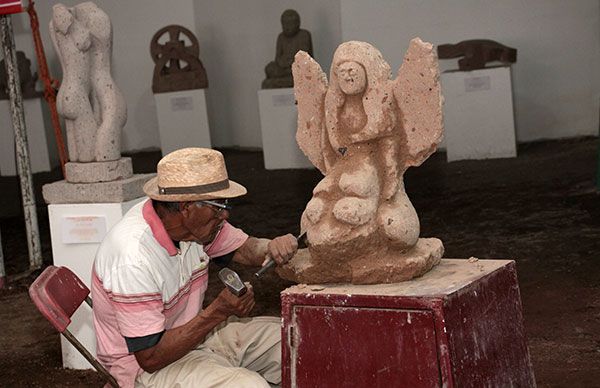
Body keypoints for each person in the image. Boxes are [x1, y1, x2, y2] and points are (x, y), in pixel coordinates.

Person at [91, 147, 298, 388]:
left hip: (192, 338)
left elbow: (243, 248)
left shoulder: (196, 230)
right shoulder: (133, 258)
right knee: (249, 386)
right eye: (218, 205)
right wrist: (218, 311)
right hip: (144, 368)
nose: (225, 215)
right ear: (186, 206)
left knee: (296, 340)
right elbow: (150, 357)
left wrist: (271, 247)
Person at [262, 9, 312, 88]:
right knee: (269, 68)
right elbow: (277, 58)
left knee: (303, 71)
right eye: (285, 24)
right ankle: (285, 80)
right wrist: (283, 64)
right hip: (284, 70)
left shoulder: (304, 35)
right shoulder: (281, 37)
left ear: (298, 23)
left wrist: (290, 62)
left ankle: (284, 80)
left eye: (290, 24)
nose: (287, 27)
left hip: (299, 69)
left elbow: (303, 57)